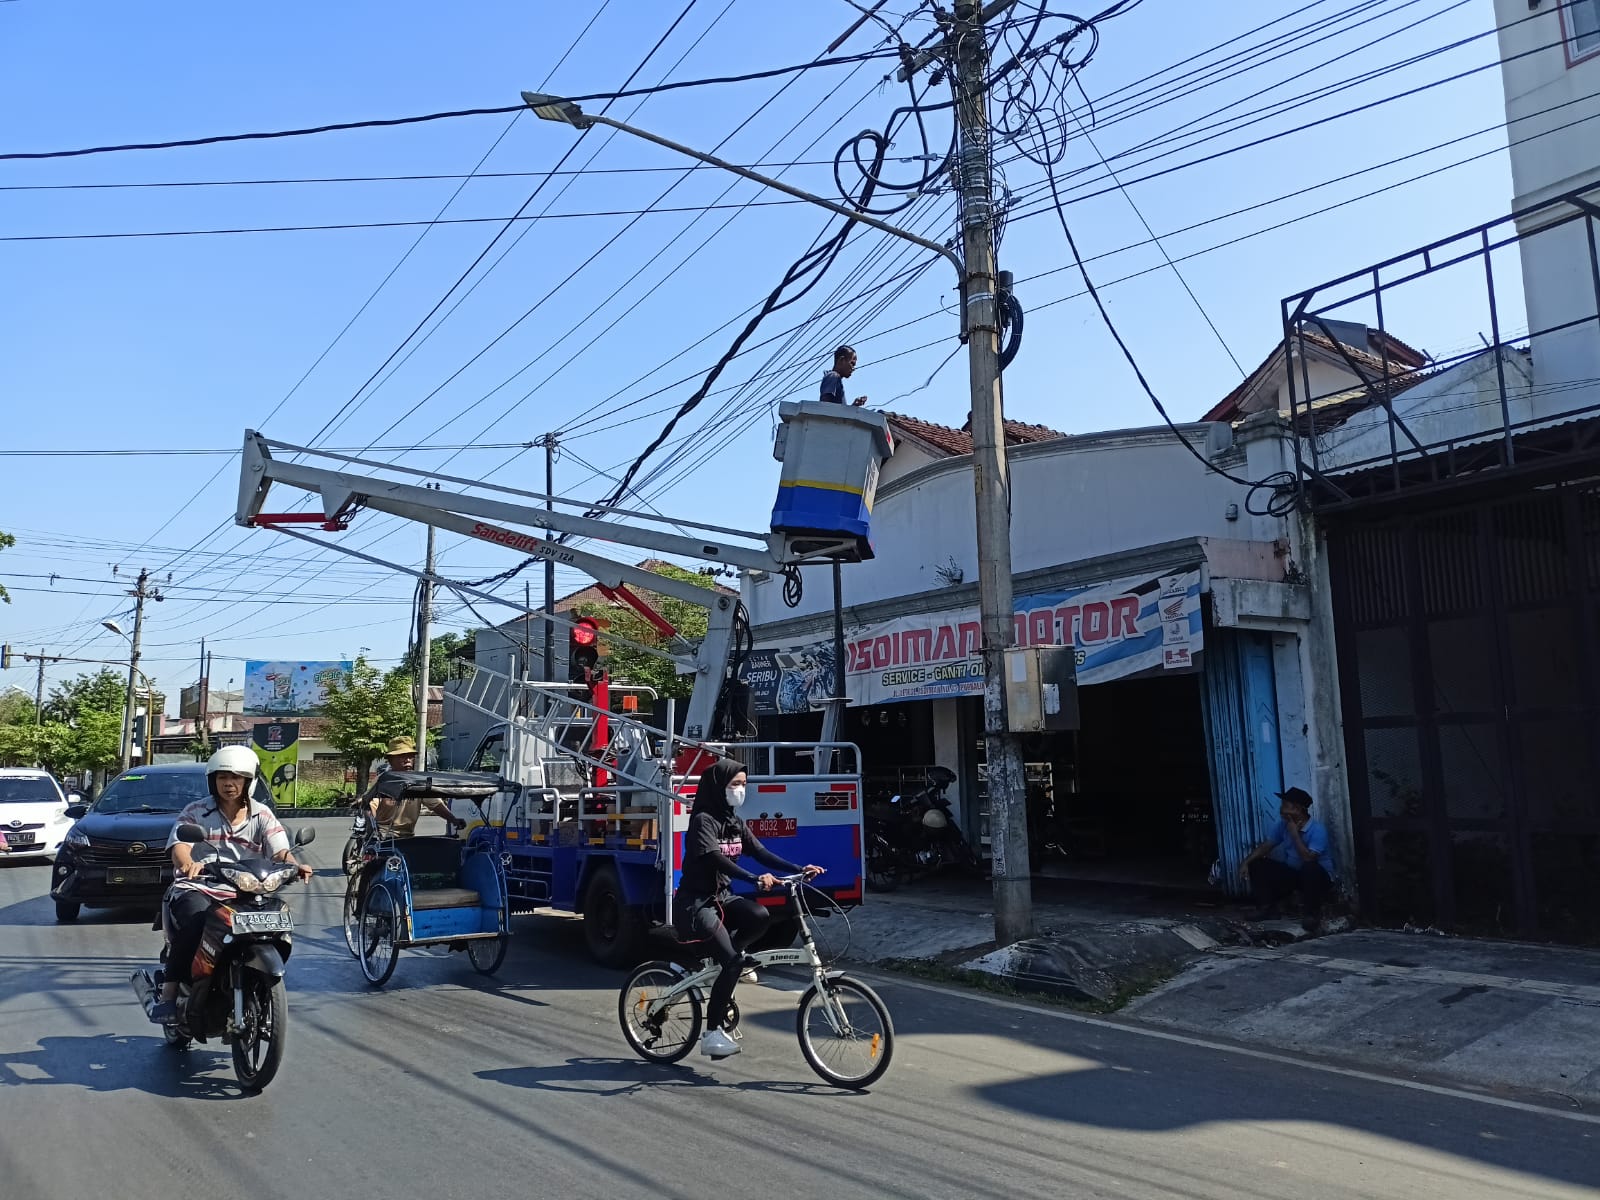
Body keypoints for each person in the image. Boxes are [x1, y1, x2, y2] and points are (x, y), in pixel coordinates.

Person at [149, 745, 314, 1022]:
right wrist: (188, 863)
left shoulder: (262, 815)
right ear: (212, 781)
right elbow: (180, 845)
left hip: (247, 889)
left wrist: (295, 865)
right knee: (196, 923)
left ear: (248, 781)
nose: (229, 783)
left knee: (275, 925)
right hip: (200, 886)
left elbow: (279, 851)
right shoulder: (196, 812)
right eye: (222, 777)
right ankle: (169, 994)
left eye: (236, 777)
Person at [674, 759, 823, 1060]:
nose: (740, 790)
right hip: (697, 902)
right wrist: (753, 878)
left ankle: (732, 960)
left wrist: (798, 869)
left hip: (723, 897)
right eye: (734, 785)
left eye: (743, 784)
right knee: (731, 963)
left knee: (760, 916)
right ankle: (712, 1033)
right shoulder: (704, 820)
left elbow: (760, 852)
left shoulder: (734, 821)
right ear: (719, 787)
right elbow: (716, 859)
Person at [1238, 786, 1336, 927]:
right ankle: (1267, 908)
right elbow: (1266, 846)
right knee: (1257, 864)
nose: (1281, 809)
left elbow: (1308, 858)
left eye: (1285, 806)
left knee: (1309, 867)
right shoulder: (1283, 825)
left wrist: (1295, 835)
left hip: (1318, 879)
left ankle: (1311, 914)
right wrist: (1246, 862)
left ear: (1297, 809)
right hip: (1295, 876)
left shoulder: (1317, 829)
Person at [363, 736, 464, 838]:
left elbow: (436, 805)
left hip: (408, 837)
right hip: (383, 835)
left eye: (410, 756)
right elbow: (371, 807)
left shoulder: (419, 782)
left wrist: (454, 820)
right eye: (402, 756)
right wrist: (373, 828)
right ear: (390, 760)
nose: (408, 760)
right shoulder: (383, 781)